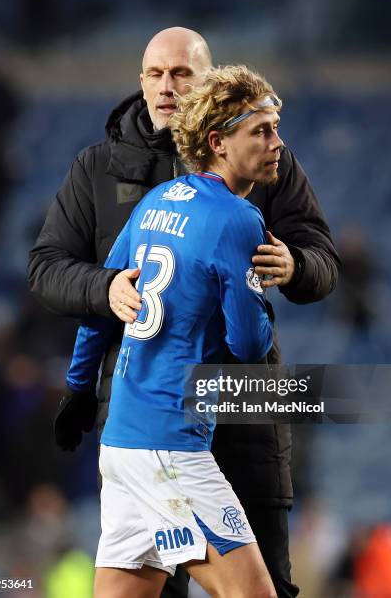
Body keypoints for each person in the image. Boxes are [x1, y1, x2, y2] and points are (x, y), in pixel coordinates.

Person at [28, 27, 340, 598]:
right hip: (167, 411)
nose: (167, 86)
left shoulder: (259, 158)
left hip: (214, 411)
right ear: (141, 81)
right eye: (155, 73)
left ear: (211, 84)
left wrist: (294, 265)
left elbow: (323, 260)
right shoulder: (101, 169)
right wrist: (105, 288)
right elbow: (47, 269)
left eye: (183, 74)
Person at [66, 64, 282, 598]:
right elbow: (249, 346)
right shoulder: (237, 218)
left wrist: (77, 386)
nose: (277, 142)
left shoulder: (152, 203)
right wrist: (255, 290)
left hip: (120, 440)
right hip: (170, 446)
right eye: (262, 130)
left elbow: (102, 307)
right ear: (218, 142)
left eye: (275, 128)